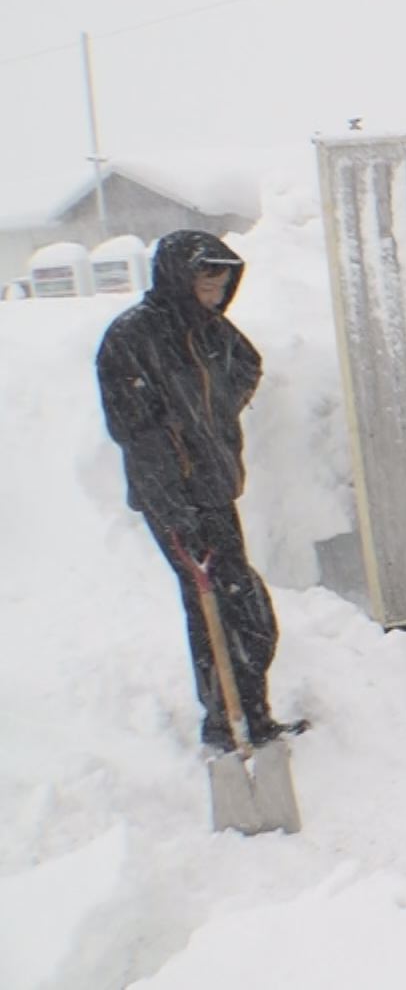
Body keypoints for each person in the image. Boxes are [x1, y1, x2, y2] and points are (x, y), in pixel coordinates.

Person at [96, 230, 299, 753]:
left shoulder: (210, 331)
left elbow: (247, 365)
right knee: (215, 611)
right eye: (206, 280)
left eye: (222, 281)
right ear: (178, 277)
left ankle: (251, 714)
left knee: (247, 610)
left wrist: (218, 420)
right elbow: (136, 436)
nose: (216, 290)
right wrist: (174, 509)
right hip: (175, 502)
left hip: (213, 491)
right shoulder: (130, 338)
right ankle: (226, 725)